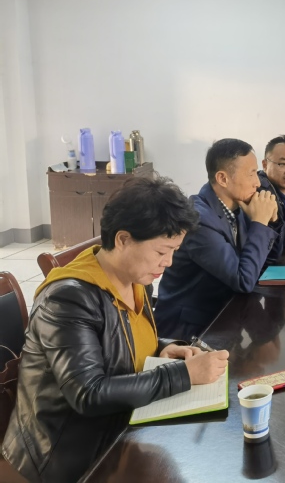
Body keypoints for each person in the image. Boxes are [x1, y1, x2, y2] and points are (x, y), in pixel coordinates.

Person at [1, 177, 229, 483]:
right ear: (123, 239)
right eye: (162, 251)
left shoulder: (134, 277)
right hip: (64, 453)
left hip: (117, 427)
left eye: (174, 250)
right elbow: (88, 393)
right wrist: (183, 374)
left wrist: (163, 347)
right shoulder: (67, 299)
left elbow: (116, 339)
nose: (169, 262)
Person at [155, 139, 282, 339]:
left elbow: (270, 261)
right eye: (251, 174)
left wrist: (269, 222)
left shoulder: (237, 205)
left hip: (226, 316)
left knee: (271, 334)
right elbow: (243, 281)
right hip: (190, 331)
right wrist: (259, 223)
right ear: (222, 178)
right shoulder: (199, 219)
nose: (258, 183)